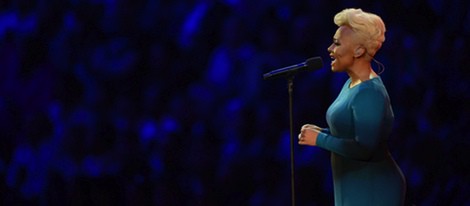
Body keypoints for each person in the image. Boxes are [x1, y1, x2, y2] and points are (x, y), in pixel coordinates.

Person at [298, 8, 406, 206]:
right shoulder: (351, 83)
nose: (330, 49)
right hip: (352, 183)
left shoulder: (369, 93)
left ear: (359, 50)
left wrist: (320, 139)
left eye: (337, 43)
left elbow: (364, 148)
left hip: (373, 187)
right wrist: (322, 131)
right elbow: (350, 133)